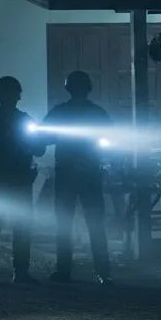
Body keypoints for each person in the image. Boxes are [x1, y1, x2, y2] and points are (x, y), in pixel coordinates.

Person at [41, 71, 113, 285]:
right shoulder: (98, 113)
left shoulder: (59, 112)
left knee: (64, 223)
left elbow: (43, 137)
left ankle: (64, 270)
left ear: (68, 88)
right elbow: (110, 139)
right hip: (90, 174)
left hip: (66, 174)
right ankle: (103, 271)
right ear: (88, 88)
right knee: (96, 224)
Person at [0, 76, 43, 284]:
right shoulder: (22, 120)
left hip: (2, 177)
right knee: (15, 226)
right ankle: (17, 271)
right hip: (12, 178)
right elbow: (39, 149)